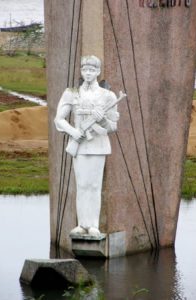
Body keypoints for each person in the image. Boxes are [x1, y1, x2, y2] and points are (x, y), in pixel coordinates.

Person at [54, 55, 120, 236]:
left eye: (92, 70)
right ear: (81, 71)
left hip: (98, 145)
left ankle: (93, 225)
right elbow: (59, 119)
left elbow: (113, 126)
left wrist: (103, 119)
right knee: (82, 184)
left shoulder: (108, 95)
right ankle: (82, 224)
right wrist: (73, 132)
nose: (88, 73)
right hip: (80, 144)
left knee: (94, 186)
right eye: (85, 70)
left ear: (98, 71)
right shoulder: (72, 92)